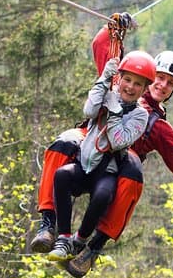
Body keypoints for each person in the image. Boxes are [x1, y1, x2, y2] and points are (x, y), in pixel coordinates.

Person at [30, 14, 173, 277]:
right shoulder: (122, 81)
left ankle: (93, 247)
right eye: (161, 77)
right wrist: (114, 27)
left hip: (115, 166)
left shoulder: (159, 128)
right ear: (149, 75)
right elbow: (101, 45)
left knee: (133, 168)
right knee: (63, 141)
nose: (163, 85)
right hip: (89, 141)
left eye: (170, 84)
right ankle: (48, 223)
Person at [45, 49, 157, 263]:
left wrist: (114, 112)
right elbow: (89, 111)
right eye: (127, 80)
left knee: (103, 196)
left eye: (137, 84)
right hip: (84, 164)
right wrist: (104, 79)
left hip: (106, 170)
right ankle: (63, 237)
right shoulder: (108, 94)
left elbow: (118, 141)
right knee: (61, 175)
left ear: (143, 90)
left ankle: (80, 239)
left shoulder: (140, 115)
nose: (130, 87)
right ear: (120, 79)